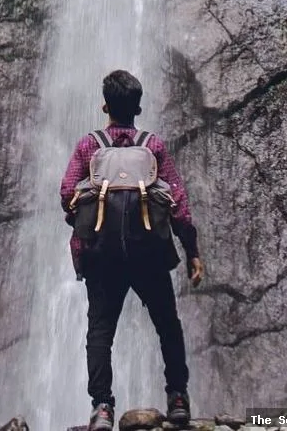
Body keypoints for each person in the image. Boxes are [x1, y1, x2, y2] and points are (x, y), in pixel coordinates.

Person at [60, 69, 203, 431]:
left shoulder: (88, 145)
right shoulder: (152, 146)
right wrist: (192, 252)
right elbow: (179, 204)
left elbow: (66, 194)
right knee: (168, 325)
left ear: (104, 105)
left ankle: (102, 408)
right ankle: (178, 398)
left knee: (100, 331)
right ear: (138, 108)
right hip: (148, 253)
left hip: (102, 254)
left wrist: (85, 221)